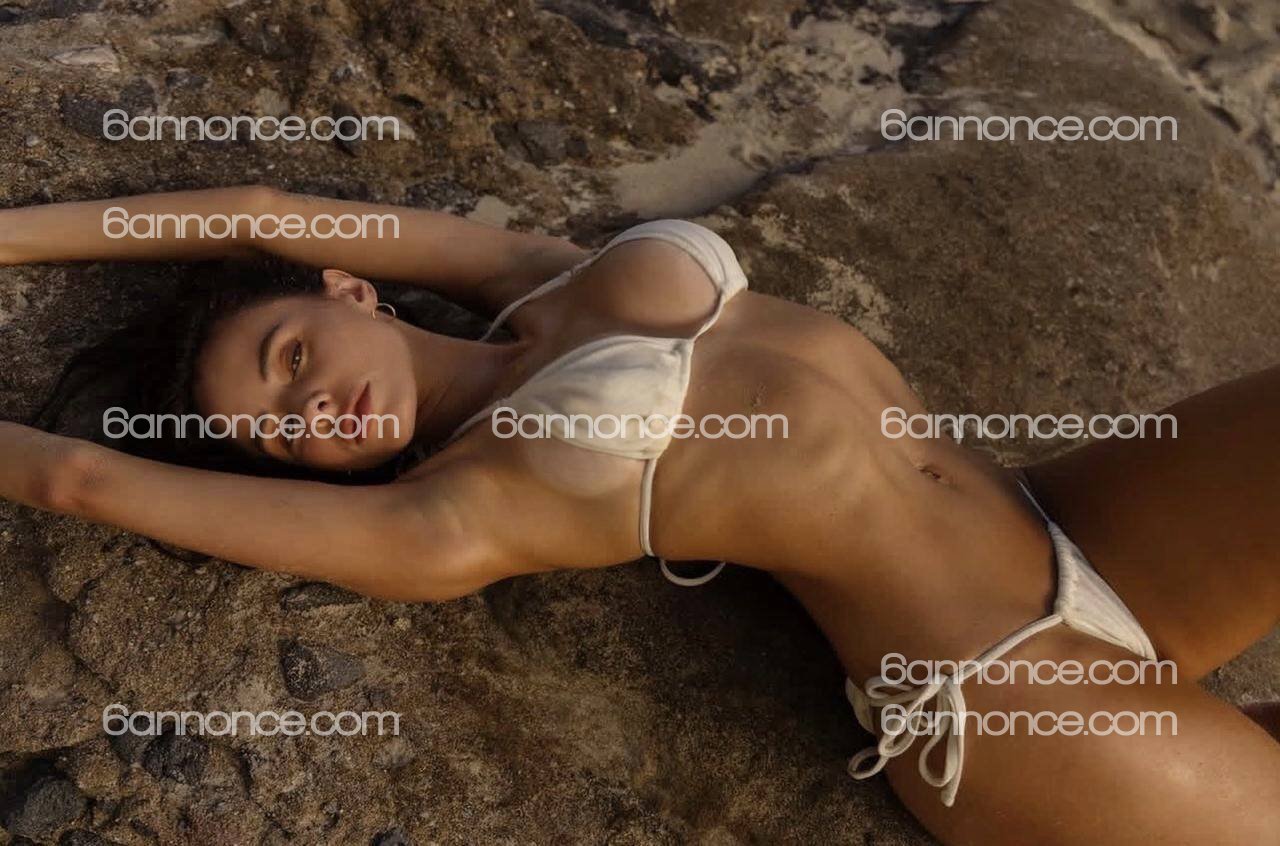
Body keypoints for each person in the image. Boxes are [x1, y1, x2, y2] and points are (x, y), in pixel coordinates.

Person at [1, 187, 1277, 844]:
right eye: (285, 433)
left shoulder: (542, 283)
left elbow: (256, 216)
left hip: (1063, 522)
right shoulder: (458, 516)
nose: (313, 404)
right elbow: (78, 481)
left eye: (289, 358)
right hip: (1003, 703)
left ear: (350, 289)